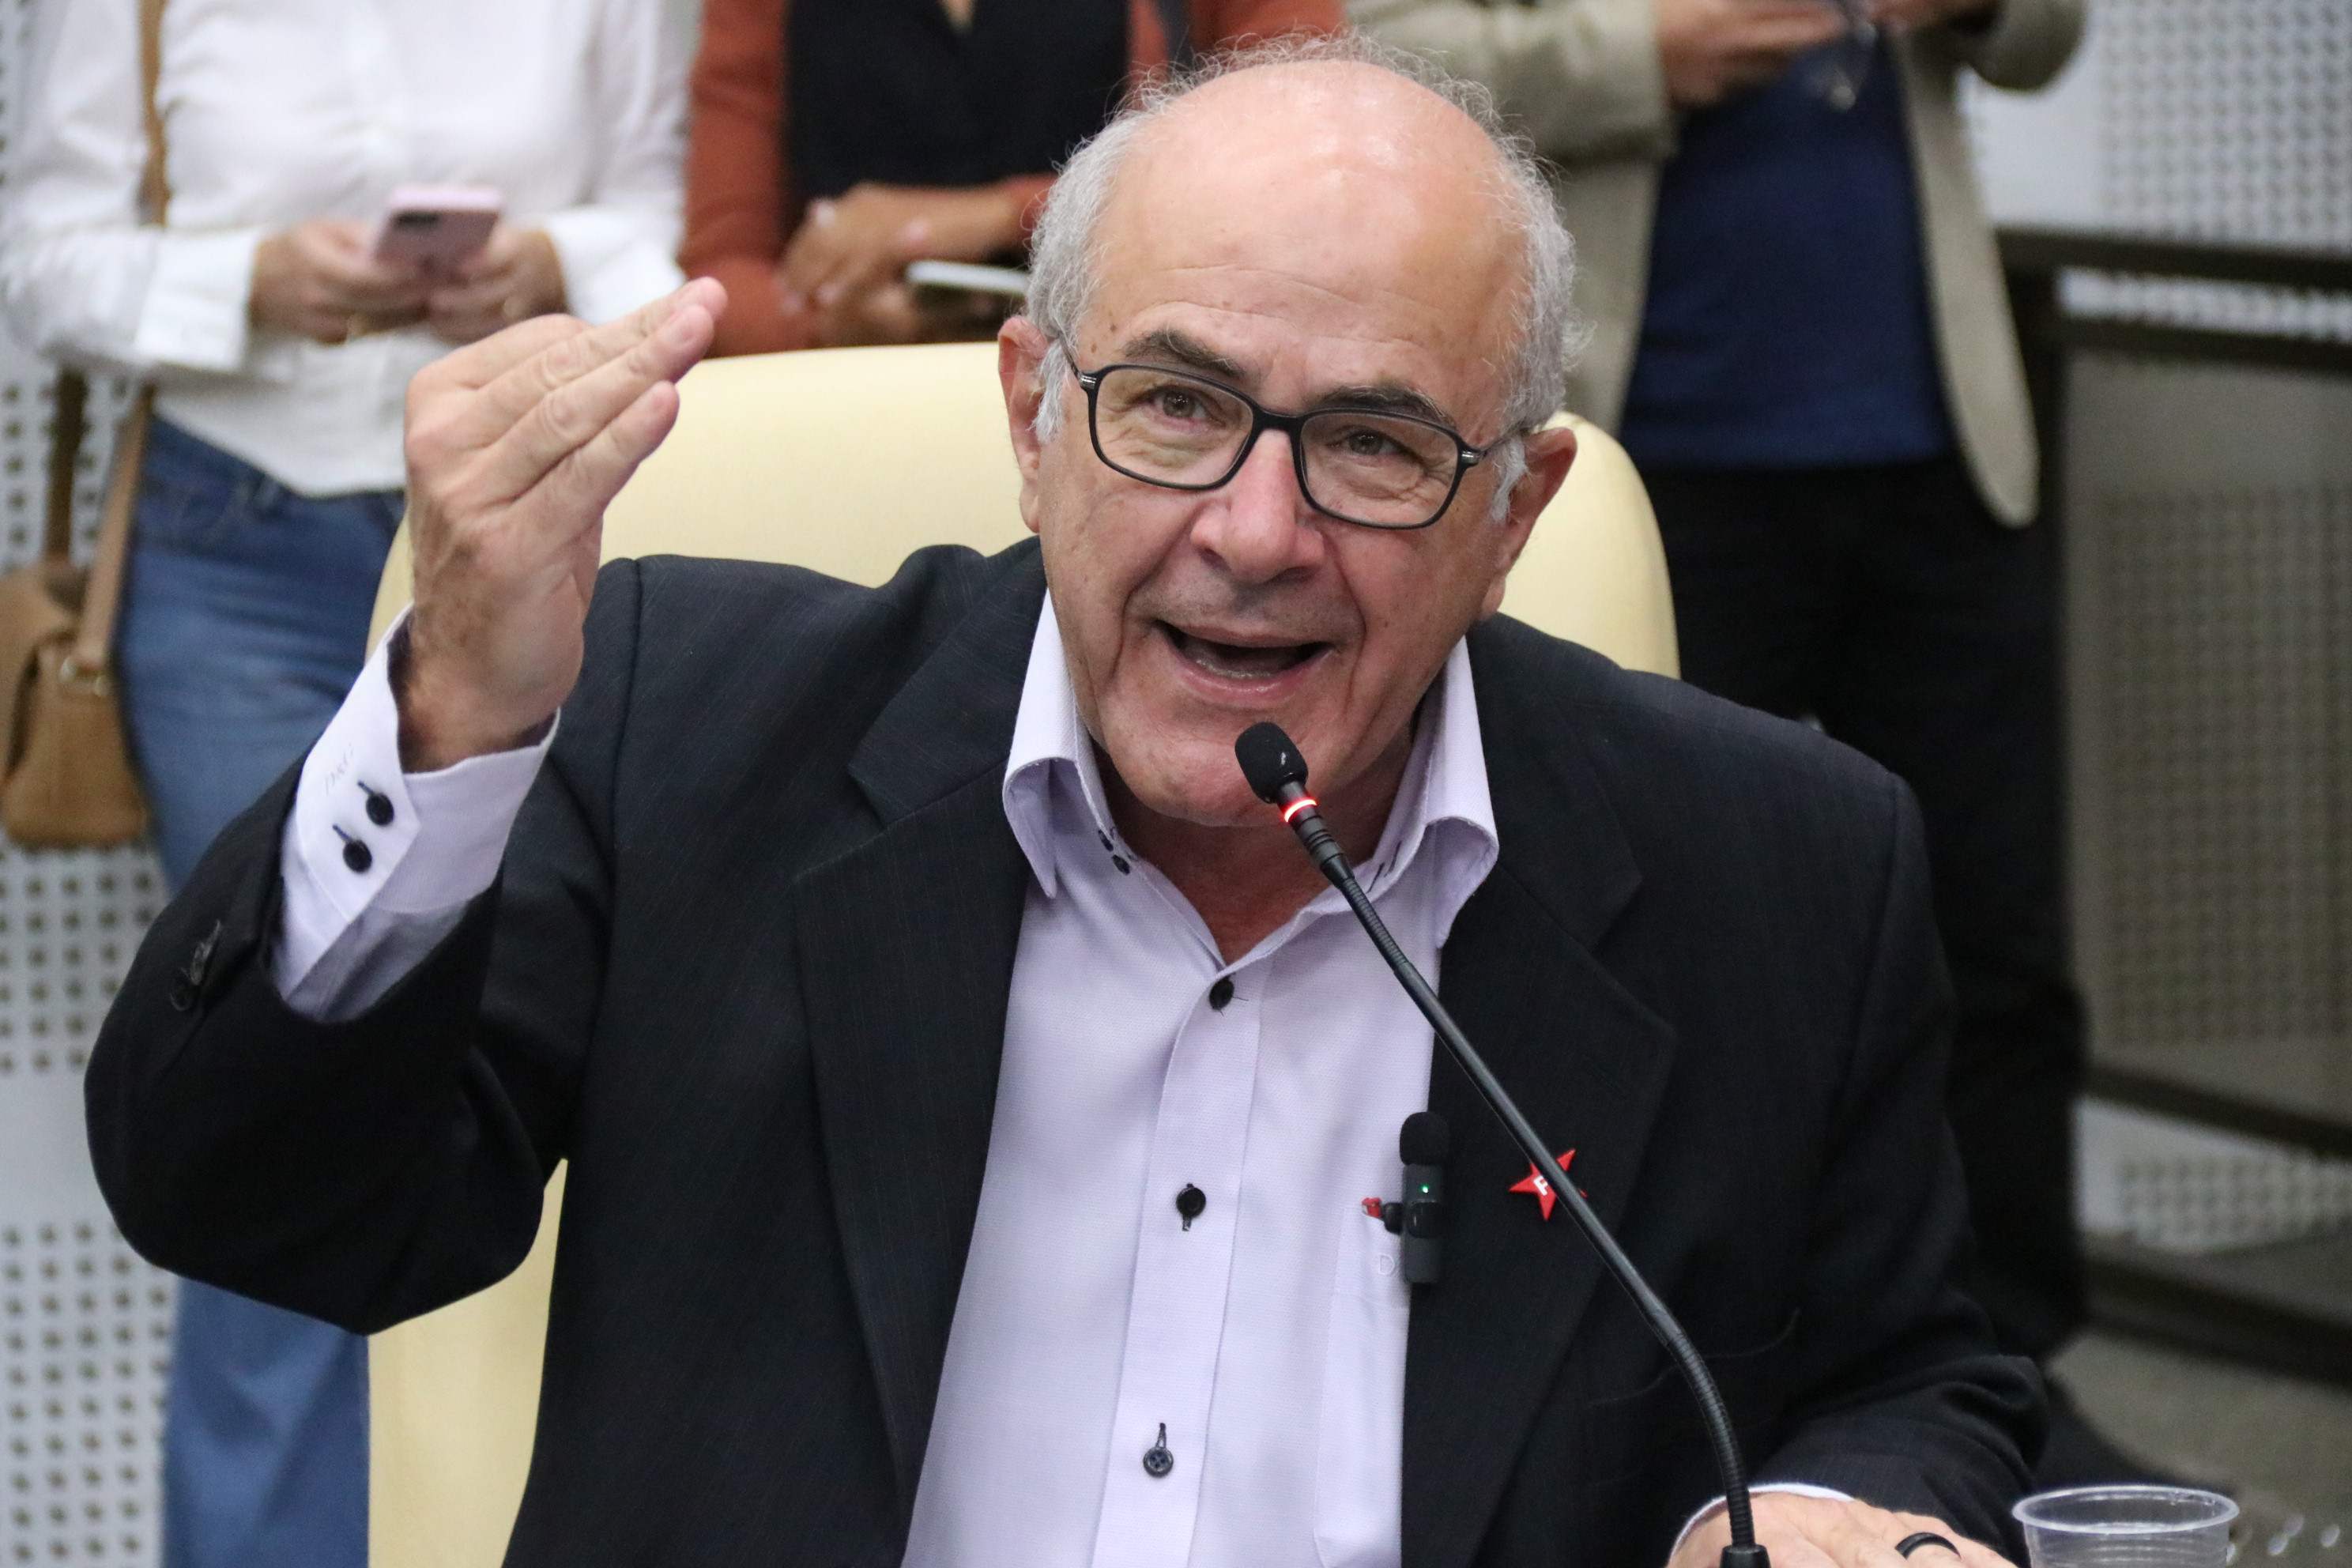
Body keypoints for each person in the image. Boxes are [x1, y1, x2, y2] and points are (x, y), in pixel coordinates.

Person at [86, 40, 2041, 1568]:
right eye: (1175, 406)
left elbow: (1912, 1379)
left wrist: (1819, 1511)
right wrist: (448, 717)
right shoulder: (690, 737)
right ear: (1032, 417)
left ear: (1512, 512)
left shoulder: (1778, 864)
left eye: (1372, 443)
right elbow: (257, 1201)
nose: (1253, 533)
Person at [1352, 0, 2111, 1477]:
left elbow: (2044, 40)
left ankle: (2014, 1384)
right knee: (1666, 945)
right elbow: (1378, 48)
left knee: (2001, 943)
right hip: (1666, 448)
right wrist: (1646, 54)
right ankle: (1683, 1382)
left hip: (1936, 442)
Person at [0, 2, 685, 1564]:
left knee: (552, 1112)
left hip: (547, 543)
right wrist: (251, 282)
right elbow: (46, 262)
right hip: (243, 547)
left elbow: (656, 224)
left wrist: (553, 264)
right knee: (279, 1109)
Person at [684, 0, 1338, 354]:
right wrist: (825, 329)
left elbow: (1297, 162)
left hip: (1128, 374)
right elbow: (720, 267)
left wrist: (996, 216)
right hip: (853, 389)